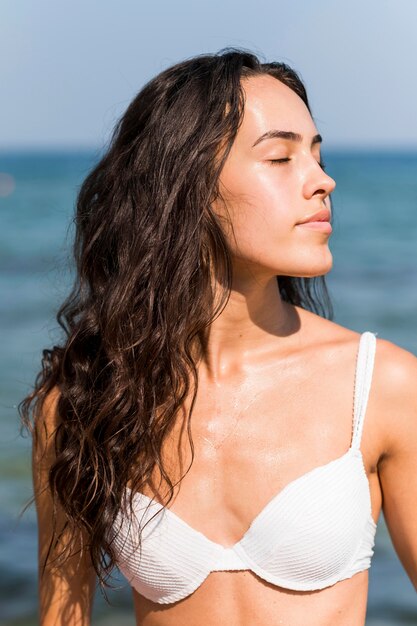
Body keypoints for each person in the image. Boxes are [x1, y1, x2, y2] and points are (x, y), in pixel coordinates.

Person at [20, 48, 417, 626]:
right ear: (188, 189)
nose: (323, 180)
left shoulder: (382, 386)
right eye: (280, 157)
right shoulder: (85, 400)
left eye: (316, 154)